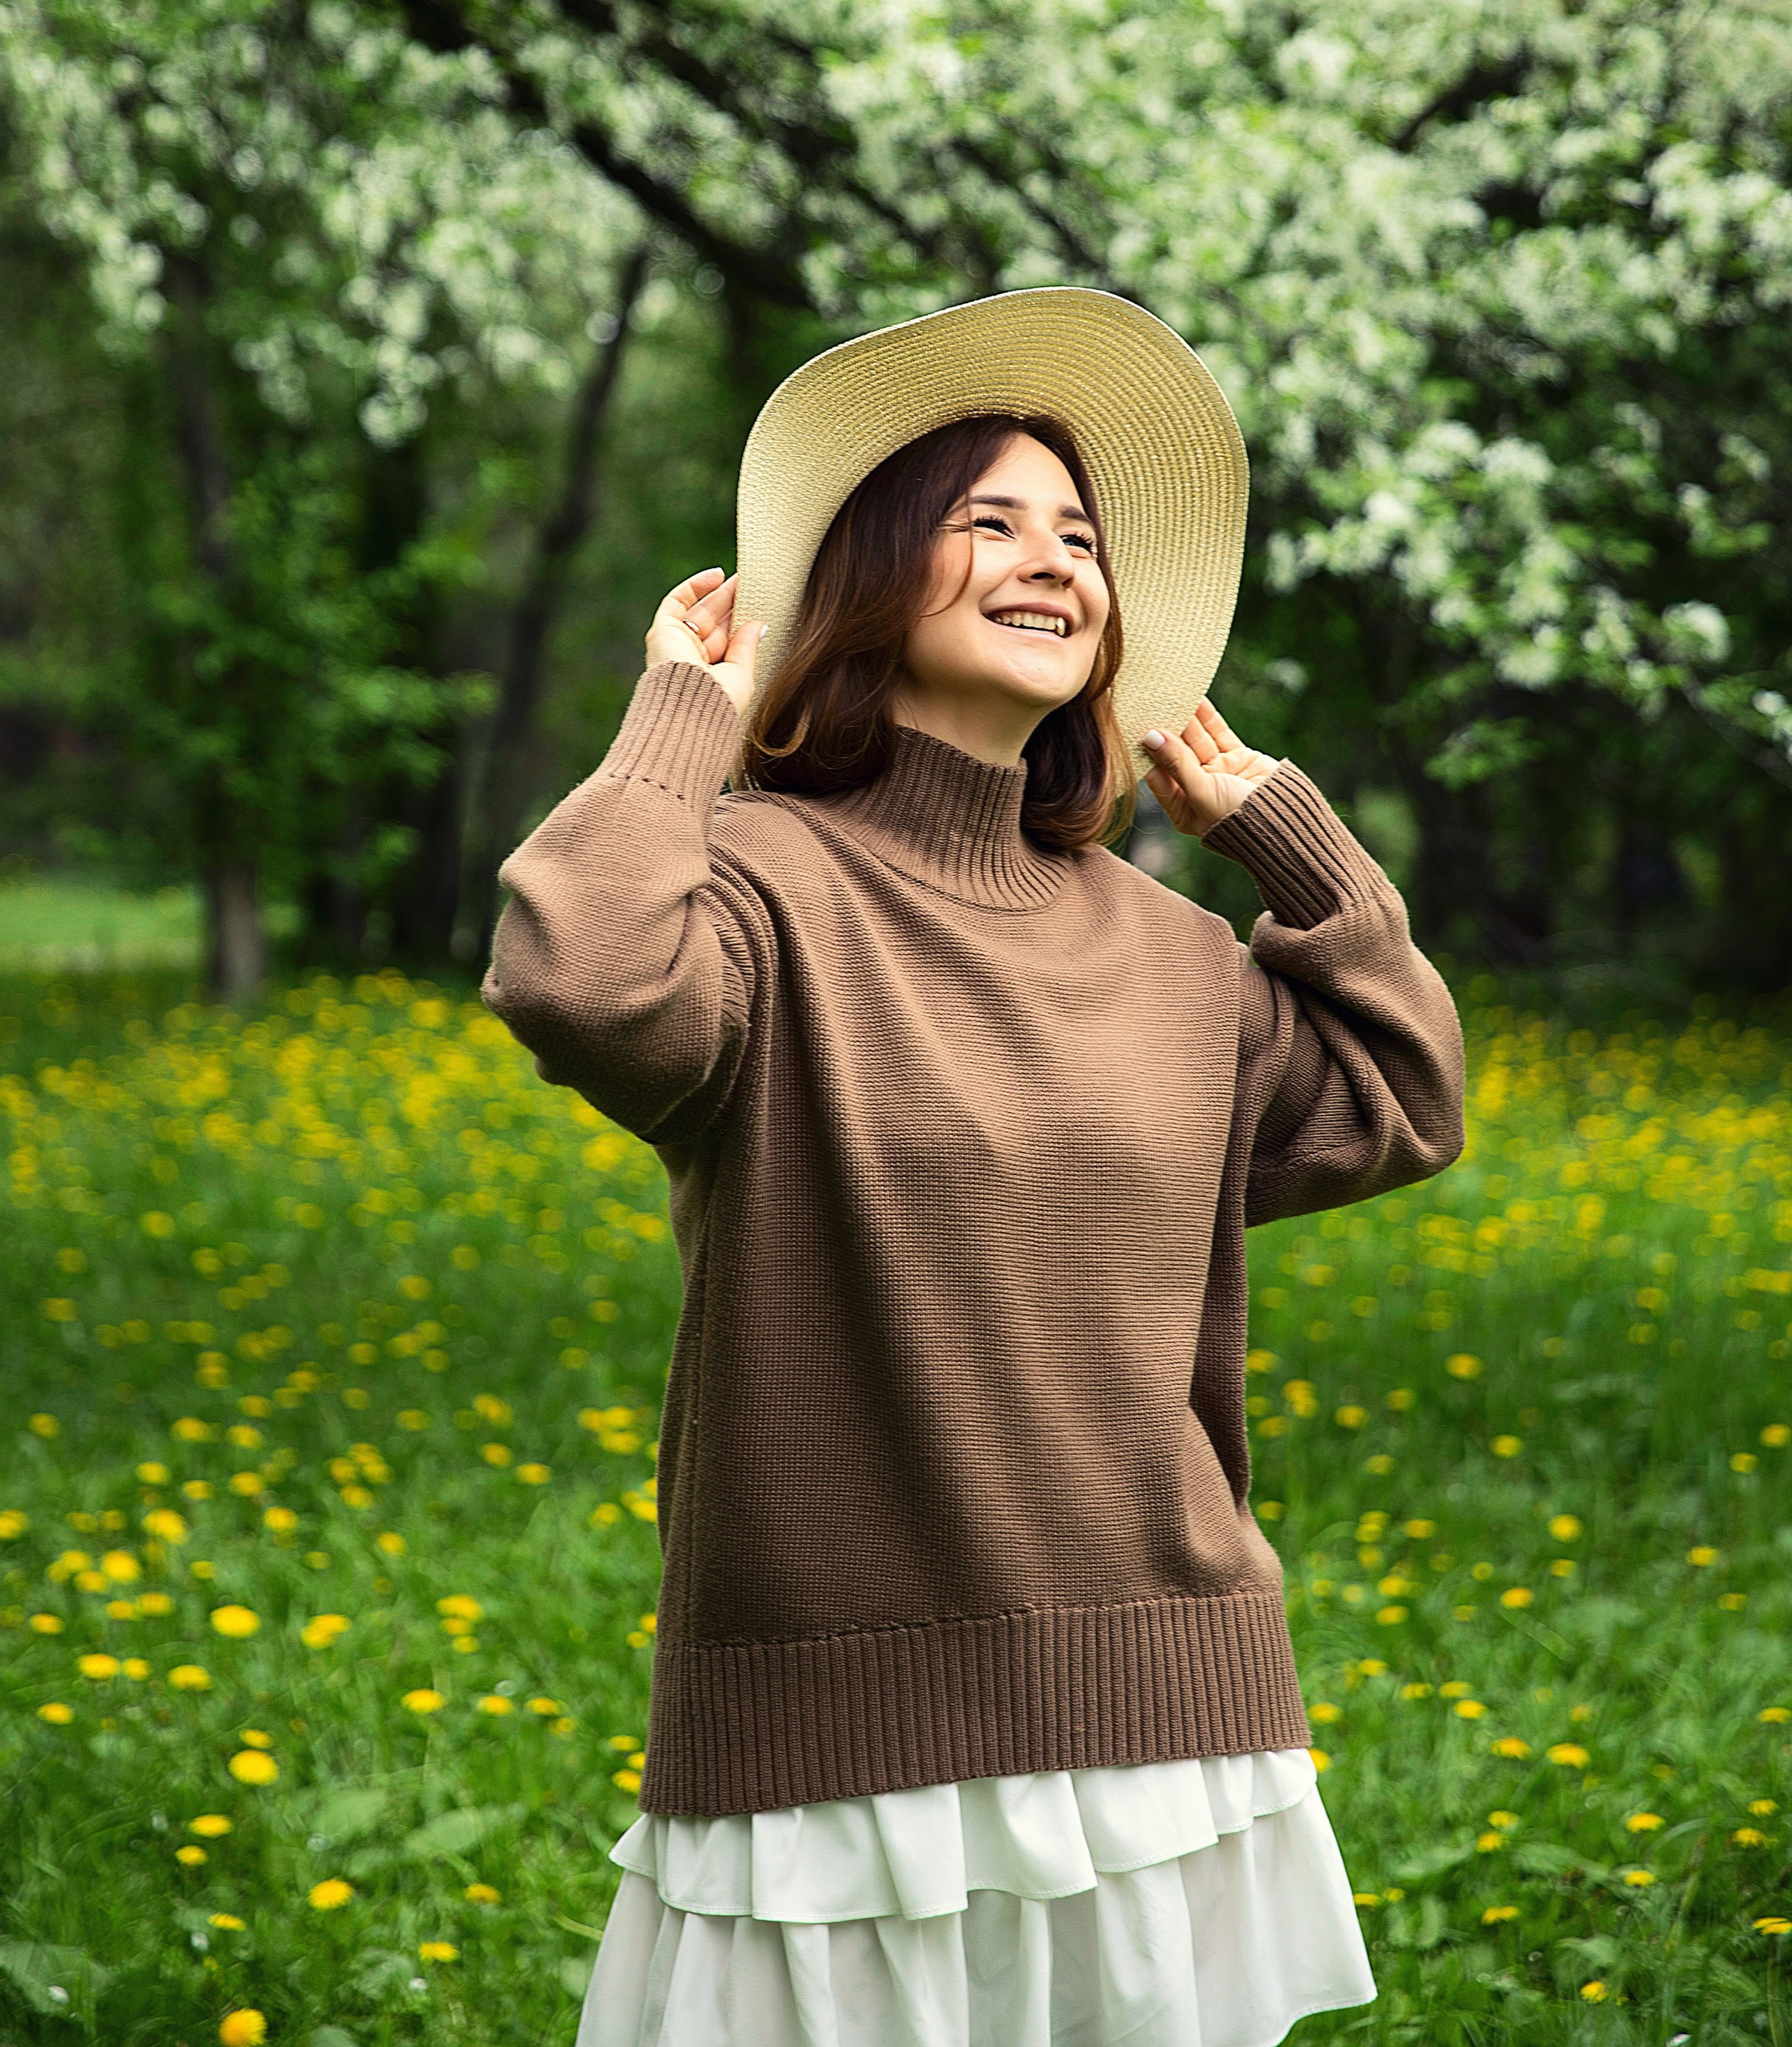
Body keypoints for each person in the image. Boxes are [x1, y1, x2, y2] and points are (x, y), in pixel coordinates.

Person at [484, 287, 1467, 2047]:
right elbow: (578, 979)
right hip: (836, 1740)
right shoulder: (760, 886)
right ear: (868, 580)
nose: (1054, 561)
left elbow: (1393, 1099)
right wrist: (675, 729)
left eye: (1079, 536)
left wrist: (1289, 849)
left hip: (1160, 1709)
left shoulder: (1171, 954)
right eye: (988, 521)